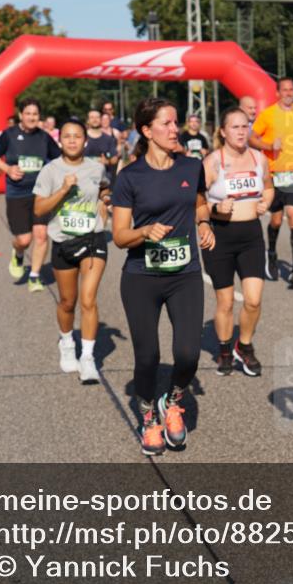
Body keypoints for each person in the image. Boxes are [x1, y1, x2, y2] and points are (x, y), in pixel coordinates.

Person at [112, 98, 215, 456]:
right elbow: (120, 236)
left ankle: (172, 401)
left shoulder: (191, 166)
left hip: (185, 273)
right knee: (147, 356)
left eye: (176, 123)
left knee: (188, 353)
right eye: (167, 124)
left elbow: (200, 202)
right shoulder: (129, 176)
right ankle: (147, 415)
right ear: (146, 131)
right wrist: (145, 231)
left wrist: (204, 222)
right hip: (142, 276)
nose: (176, 129)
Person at [34, 118, 111, 384]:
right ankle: (67, 343)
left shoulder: (96, 168)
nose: (72, 140)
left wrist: (105, 200)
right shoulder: (50, 170)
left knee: (89, 299)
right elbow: (39, 209)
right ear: (60, 140)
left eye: (77, 136)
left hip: (93, 240)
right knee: (68, 302)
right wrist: (64, 189)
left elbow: (104, 187)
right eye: (67, 136)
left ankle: (88, 358)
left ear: (85, 140)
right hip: (63, 241)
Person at [202, 107, 274, 376]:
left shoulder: (259, 158)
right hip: (220, 237)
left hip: (251, 236)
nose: (241, 132)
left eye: (245, 126)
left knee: (253, 300)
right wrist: (214, 209)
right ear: (222, 131)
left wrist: (265, 201)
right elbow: (197, 199)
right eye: (235, 127)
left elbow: (268, 185)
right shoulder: (213, 162)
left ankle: (243, 345)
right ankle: (223, 350)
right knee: (226, 302)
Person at [0, 98, 62, 292]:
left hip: (40, 194)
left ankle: (35, 276)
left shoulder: (44, 137)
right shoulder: (9, 135)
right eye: (28, 113)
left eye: (35, 114)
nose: (31, 117)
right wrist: (7, 169)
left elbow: (59, 159)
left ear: (39, 117)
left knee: (41, 235)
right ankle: (18, 253)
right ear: (21, 115)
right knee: (24, 239)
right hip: (17, 193)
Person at [249, 77, 293, 287]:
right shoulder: (268, 114)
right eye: (285, 90)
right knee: (275, 221)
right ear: (278, 93)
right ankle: (271, 253)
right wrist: (267, 143)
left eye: (292, 89)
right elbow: (251, 138)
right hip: (274, 176)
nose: (289, 93)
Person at [84, 109, 119, 182]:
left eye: (97, 117)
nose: (95, 120)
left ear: (101, 120)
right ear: (88, 120)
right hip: (85, 177)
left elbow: (114, 159)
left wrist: (107, 161)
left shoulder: (108, 139)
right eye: (92, 117)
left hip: (104, 178)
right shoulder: (82, 138)